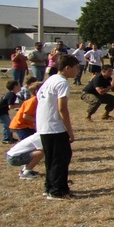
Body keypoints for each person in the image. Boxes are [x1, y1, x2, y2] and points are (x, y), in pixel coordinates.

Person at [37, 55, 80, 200]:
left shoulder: (50, 79)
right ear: (67, 68)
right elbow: (62, 109)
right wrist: (69, 131)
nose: (77, 71)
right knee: (61, 158)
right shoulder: (62, 83)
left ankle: (49, 186)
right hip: (54, 127)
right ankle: (58, 191)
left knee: (51, 159)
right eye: (76, 68)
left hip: (44, 125)